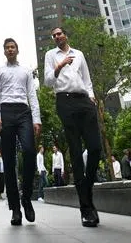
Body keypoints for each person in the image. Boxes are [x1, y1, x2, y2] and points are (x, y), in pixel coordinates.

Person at [44, 26, 101, 228]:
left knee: (95, 148)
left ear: (66, 35)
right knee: (76, 152)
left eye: (59, 33)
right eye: (54, 35)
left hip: (85, 100)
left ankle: (87, 187)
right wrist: (59, 66)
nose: (57, 36)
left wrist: (92, 96)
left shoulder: (79, 54)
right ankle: (86, 209)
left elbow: (87, 79)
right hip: (64, 101)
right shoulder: (51, 55)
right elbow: (48, 81)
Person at [0, 37, 40, 226]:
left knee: (29, 151)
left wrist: (37, 119)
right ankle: (15, 208)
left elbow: (32, 95)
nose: (10, 50)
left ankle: (26, 198)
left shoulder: (26, 70)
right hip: (5, 113)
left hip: (23, 112)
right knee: (9, 161)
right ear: (4, 51)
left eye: (13, 47)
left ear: (17, 50)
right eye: (7, 48)